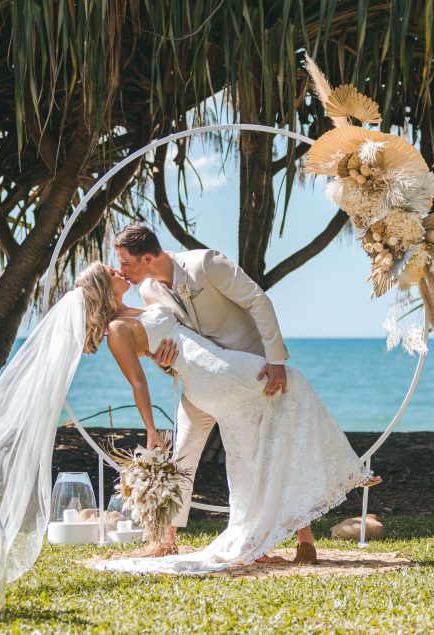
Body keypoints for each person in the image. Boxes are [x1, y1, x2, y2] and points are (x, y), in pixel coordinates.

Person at [80, 260, 378, 573]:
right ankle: (346, 469)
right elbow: (138, 382)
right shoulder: (116, 329)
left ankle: (258, 536)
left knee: (247, 453)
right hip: (212, 374)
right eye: (110, 272)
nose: (119, 271)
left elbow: (168, 338)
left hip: (209, 372)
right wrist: (151, 430)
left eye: (118, 265)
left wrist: (163, 358)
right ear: (101, 287)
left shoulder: (146, 297)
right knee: (292, 386)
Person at [112, 225, 321, 562]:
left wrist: (276, 360)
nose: (121, 270)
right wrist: (164, 363)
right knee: (183, 448)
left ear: (147, 257)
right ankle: (166, 538)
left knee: (273, 447)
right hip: (202, 379)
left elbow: (257, 299)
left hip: (250, 369)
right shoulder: (149, 291)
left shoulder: (205, 263)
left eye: (125, 264)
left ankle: (304, 538)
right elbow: (170, 338)